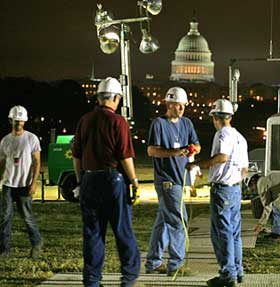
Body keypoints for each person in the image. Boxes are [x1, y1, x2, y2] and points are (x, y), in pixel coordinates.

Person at [72, 77, 141, 287]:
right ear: (116, 98)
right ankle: (128, 278)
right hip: (113, 180)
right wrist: (135, 181)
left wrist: (80, 181)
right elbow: (125, 156)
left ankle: (92, 281)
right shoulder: (118, 121)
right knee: (123, 230)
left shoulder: (84, 120)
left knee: (93, 233)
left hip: (89, 180)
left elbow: (76, 155)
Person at [186, 99, 248, 287]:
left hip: (222, 190)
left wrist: (196, 164)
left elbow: (221, 157)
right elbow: (244, 169)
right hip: (235, 189)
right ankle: (237, 271)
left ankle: (227, 274)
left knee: (222, 234)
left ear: (215, 117)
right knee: (234, 233)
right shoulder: (240, 137)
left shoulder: (223, 134)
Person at [145, 87, 201, 276]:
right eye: (178, 105)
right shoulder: (159, 124)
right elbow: (152, 151)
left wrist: (193, 149)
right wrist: (174, 153)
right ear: (168, 104)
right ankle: (176, 264)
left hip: (180, 179)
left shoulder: (187, 124)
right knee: (178, 221)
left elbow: (198, 145)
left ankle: (153, 262)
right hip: (166, 181)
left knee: (163, 222)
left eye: (183, 105)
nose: (181, 108)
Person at [0, 106, 43, 259]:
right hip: (8, 185)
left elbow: (37, 162)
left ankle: (36, 244)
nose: (18, 123)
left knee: (27, 217)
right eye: (15, 120)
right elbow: (2, 163)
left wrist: (34, 182)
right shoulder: (5, 141)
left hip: (24, 185)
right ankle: (4, 251)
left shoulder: (31, 139)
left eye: (20, 120)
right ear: (11, 120)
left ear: (24, 121)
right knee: (5, 218)